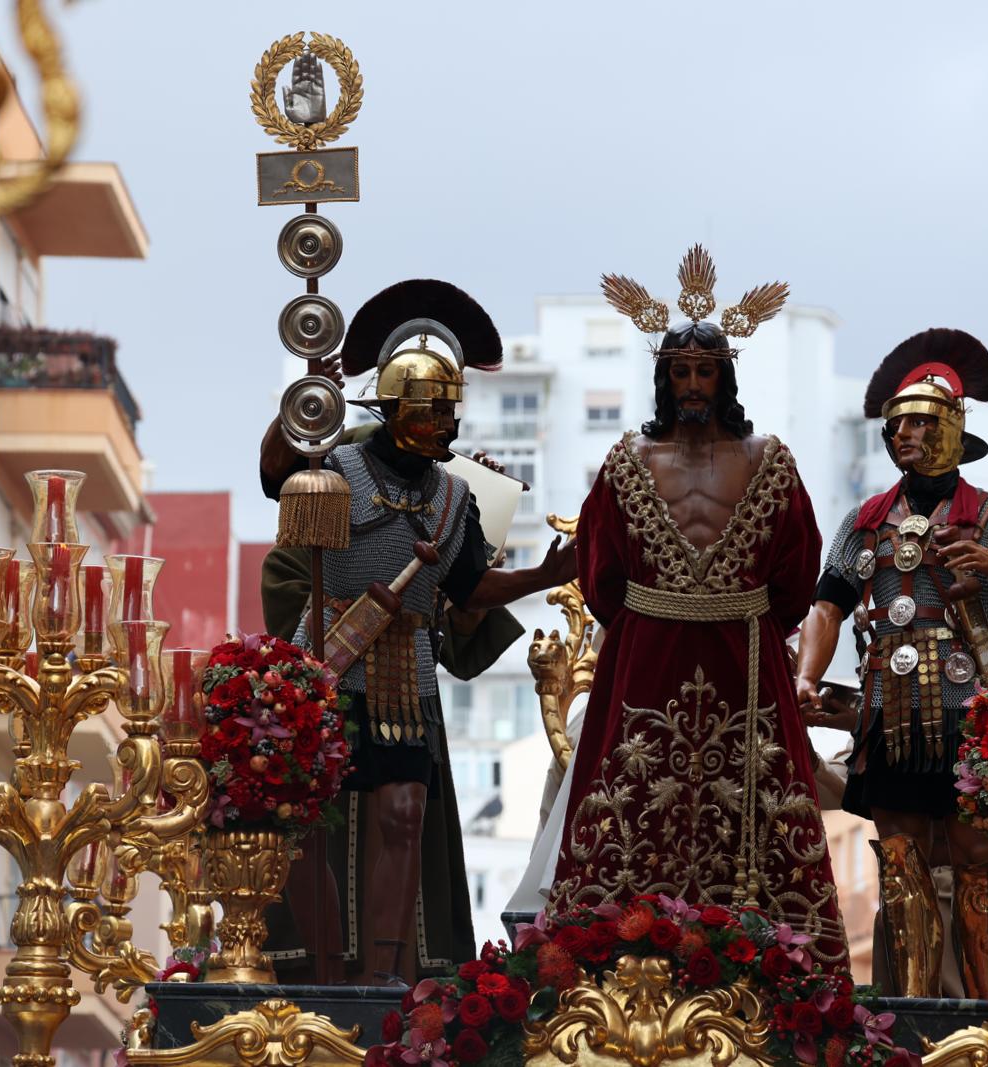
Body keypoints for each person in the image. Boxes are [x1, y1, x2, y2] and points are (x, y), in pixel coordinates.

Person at [259, 279, 576, 981]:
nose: (452, 427)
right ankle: (321, 971)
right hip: (330, 666)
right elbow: (273, 471)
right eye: (439, 413)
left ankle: (384, 976)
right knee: (316, 825)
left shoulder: (455, 493)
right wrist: (310, 400)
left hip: (408, 677)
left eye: (453, 412)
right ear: (402, 409)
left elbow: (466, 587)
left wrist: (542, 575)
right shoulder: (332, 464)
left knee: (403, 816)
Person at [547, 247, 846, 965]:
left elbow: (796, 574)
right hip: (648, 656)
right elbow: (601, 573)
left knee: (756, 816)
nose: (690, 383)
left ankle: (775, 971)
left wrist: (738, 610)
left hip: (743, 657)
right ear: (662, 375)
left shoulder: (770, 459)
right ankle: (611, 956)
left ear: (725, 375)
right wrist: (661, 609)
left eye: (703, 370)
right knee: (633, 803)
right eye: (678, 370)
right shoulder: (627, 461)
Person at [794, 328, 988, 998]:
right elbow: (827, 603)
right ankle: (912, 1015)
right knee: (901, 863)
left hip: (973, 711)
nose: (902, 435)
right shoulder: (864, 520)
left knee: (978, 860)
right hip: (891, 705)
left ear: (950, 426)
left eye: (917, 421)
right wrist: (805, 673)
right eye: (895, 425)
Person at [258, 417, 525, 982]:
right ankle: (325, 977)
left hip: (405, 702)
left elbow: (459, 634)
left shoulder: (449, 505)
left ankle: (392, 980)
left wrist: (482, 550)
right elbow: (294, 630)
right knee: (310, 842)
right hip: (330, 708)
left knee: (406, 828)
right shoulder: (304, 543)